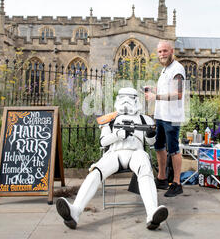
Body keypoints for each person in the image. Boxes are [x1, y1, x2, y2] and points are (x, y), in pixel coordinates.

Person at [56, 87, 168, 230]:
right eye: (123, 97)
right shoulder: (110, 120)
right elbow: (102, 142)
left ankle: (152, 213)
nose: (126, 101)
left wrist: (151, 134)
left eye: (130, 98)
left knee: (145, 169)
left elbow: (151, 143)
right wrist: (118, 135)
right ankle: (75, 211)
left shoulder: (144, 119)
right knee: (96, 172)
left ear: (136, 100)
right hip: (114, 153)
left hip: (136, 153)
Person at [145, 40, 186, 197]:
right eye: (160, 51)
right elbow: (168, 89)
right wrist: (155, 89)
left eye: (165, 51)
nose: (162, 54)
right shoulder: (165, 70)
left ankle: (176, 183)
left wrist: (156, 96)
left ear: (171, 51)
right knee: (159, 147)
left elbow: (178, 94)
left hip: (172, 117)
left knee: (173, 149)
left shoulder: (177, 69)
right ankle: (161, 178)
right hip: (161, 116)